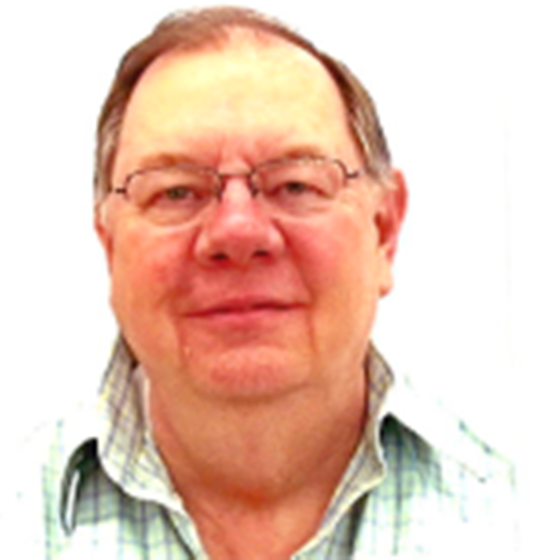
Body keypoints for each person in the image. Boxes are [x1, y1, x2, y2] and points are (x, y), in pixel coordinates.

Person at [3, 6, 517, 558]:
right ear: (109, 247)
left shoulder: (519, 517)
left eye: (296, 183)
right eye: (175, 191)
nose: (238, 230)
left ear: (384, 231)